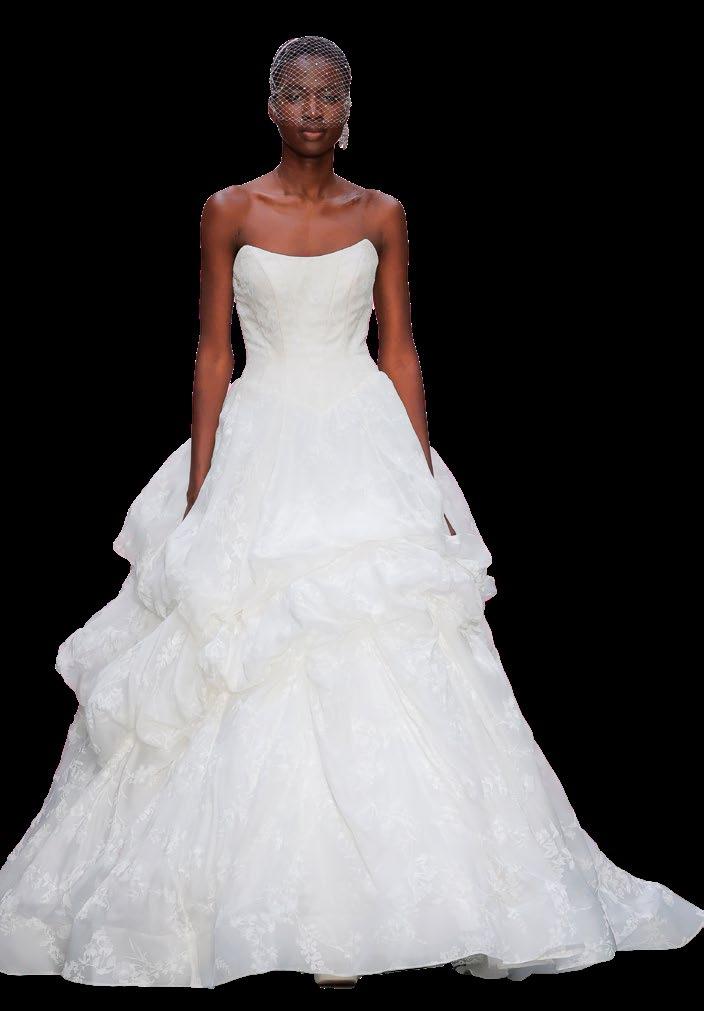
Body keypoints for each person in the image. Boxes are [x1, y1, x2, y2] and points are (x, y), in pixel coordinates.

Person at [0, 35, 701, 990]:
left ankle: (394, 914)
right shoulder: (228, 209)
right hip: (261, 439)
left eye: (329, 94)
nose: (313, 110)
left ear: (349, 107)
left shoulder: (382, 214)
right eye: (296, 93)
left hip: (360, 440)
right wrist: (201, 488)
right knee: (243, 652)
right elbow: (213, 351)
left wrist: (422, 477)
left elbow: (400, 348)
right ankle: (289, 918)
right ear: (271, 105)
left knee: (392, 648)